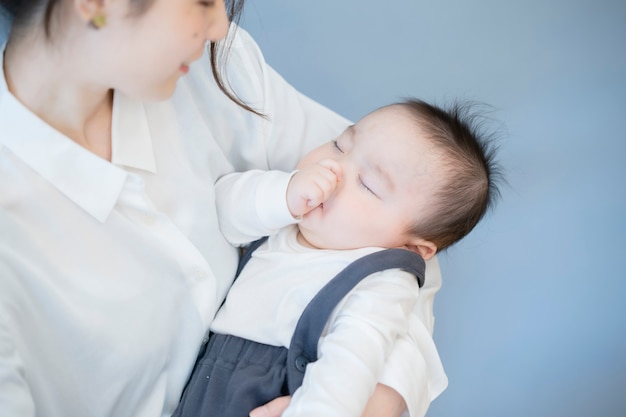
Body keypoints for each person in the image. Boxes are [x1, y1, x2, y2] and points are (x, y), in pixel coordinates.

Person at [0, 1, 446, 416]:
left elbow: (409, 215)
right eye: (202, 1)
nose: (219, 27)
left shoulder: (217, 70)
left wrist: (377, 397)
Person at [173, 99, 500, 417]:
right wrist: (283, 195)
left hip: (282, 391)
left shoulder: (383, 280)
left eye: (368, 185)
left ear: (413, 249)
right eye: (339, 145)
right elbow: (222, 212)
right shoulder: (289, 214)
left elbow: (350, 367)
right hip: (209, 378)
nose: (334, 169)